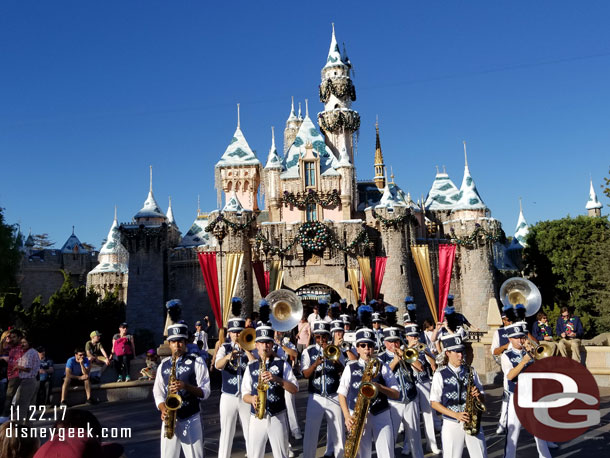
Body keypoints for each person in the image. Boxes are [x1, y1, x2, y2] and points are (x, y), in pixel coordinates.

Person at [338, 328, 400, 458]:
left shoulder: (382, 366)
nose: (367, 349)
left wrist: (380, 387)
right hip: (358, 416)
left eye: (370, 345)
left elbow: (396, 393)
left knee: (387, 454)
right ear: (357, 348)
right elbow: (342, 394)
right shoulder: (350, 367)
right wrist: (346, 416)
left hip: (381, 413)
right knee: (362, 455)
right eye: (363, 345)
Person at [153, 323, 210, 458]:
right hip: (170, 419)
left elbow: (206, 392)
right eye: (173, 341)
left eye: (180, 341)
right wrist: (163, 409)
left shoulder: (197, 361)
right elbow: (158, 393)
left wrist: (185, 386)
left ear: (185, 342)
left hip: (191, 416)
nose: (177, 345)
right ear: (169, 343)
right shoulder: (164, 365)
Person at [241, 325, 299, 458]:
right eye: (261, 342)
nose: (265, 346)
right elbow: (244, 393)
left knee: (281, 455)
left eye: (268, 342)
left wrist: (276, 379)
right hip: (257, 418)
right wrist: (252, 399)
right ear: (256, 345)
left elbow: (294, 389)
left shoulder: (282, 364)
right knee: (254, 455)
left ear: (272, 344)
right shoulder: (251, 366)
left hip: (277, 416)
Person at [500, 321, 553, 458]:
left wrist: (535, 357)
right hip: (516, 397)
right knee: (513, 433)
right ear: (510, 339)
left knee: (539, 432)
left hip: (532, 396)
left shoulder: (530, 352)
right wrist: (524, 361)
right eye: (517, 338)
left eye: (522, 337)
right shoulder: (506, 355)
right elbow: (510, 376)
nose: (521, 340)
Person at [430, 334, 487, 458]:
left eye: (461, 351)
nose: (460, 355)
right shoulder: (440, 374)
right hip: (451, 423)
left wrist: (478, 395)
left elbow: (483, 398)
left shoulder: (471, 371)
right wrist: (456, 415)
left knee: (481, 455)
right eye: (456, 352)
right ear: (448, 353)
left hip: (472, 420)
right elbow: (434, 403)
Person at [377, 327, 424, 458]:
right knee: (391, 435)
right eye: (391, 342)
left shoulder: (407, 353)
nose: (394, 345)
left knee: (415, 435)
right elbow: (381, 377)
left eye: (396, 341)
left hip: (411, 398)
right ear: (385, 343)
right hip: (393, 402)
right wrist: (395, 361)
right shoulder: (381, 358)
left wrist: (406, 357)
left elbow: (420, 368)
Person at [301, 321, 346, 458]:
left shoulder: (336, 350)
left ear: (328, 336)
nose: (321, 340)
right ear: (314, 337)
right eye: (318, 337)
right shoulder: (308, 351)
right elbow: (305, 374)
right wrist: (315, 364)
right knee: (311, 433)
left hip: (333, 395)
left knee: (339, 432)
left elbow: (343, 371)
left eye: (324, 337)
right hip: (316, 397)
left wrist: (335, 359)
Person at [214, 317, 254, 458]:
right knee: (226, 431)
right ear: (229, 333)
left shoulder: (250, 346)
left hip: (245, 395)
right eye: (233, 332)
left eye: (239, 332)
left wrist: (246, 350)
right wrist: (227, 357)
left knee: (249, 430)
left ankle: (252, 454)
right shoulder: (224, 347)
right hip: (228, 395)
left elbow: (255, 365)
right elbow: (217, 365)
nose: (236, 335)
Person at [405, 324, 441, 455]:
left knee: (428, 413)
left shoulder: (423, 347)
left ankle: (432, 444)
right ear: (407, 337)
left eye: (416, 336)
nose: (415, 338)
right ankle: (407, 445)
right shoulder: (403, 350)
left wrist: (426, 351)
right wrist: (408, 349)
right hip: (411, 383)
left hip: (425, 381)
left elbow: (433, 364)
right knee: (410, 417)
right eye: (412, 336)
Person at [273, 330, 302, 442]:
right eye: (276, 330)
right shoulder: (270, 342)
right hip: (274, 376)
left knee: (290, 403)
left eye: (280, 331)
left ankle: (295, 430)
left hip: (286, 377)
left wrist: (282, 346)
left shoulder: (287, 342)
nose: (278, 332)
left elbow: (295, 354)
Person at [13, 335, 41, 421]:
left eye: (24, 342)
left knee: (22, 404)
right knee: (29, 405)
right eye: (21, 342)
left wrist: (16, 367)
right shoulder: (26, 352)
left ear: (29, 343)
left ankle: (18, 425)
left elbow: (27, 368)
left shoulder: (31, 353)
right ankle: (28, 427)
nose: (22, 344)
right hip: (29, 380)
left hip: (28, 380)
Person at [0, 329, 25, 422]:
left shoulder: (16, 347)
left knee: (10, 396)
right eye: (8, 336)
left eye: (11, 337)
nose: (9, 339)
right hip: (4, 375)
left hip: (13, 374)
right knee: (7, 396)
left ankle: (7, 415)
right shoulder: (3, 348)